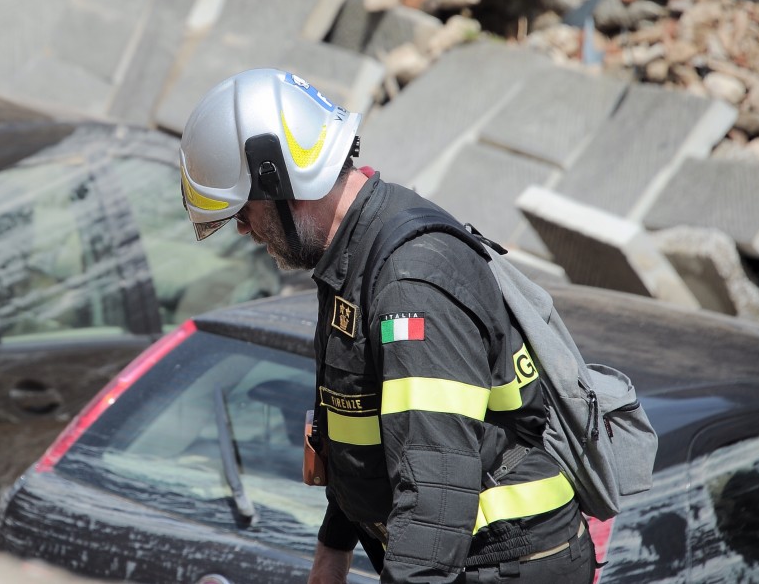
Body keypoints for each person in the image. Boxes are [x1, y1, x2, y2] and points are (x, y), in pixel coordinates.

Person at [179, 68, 595, 584]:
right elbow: (360, 428)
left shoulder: (410, 285)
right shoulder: (354, 257)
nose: (243, 228)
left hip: (501, 564)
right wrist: (332, 551)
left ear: (279, 179)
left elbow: (435, 492)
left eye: (244, 209)